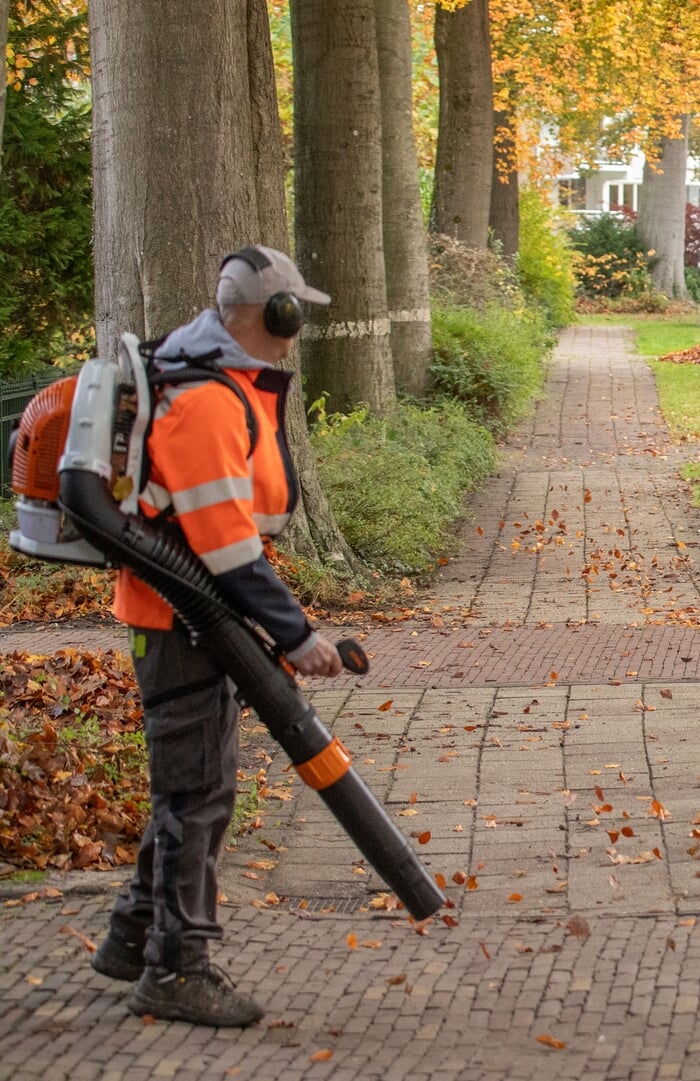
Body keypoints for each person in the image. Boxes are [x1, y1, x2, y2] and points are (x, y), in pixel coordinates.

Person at [91, 245, 345, 1027]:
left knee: (191, 784)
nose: (299, 329)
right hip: (179, 618)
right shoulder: (204, 401)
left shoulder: (221, 383)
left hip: (193, 614)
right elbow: (225, 544)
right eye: (295, 314)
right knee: (197, 794)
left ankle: (135, 936)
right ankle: (176, 971)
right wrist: (295, 633)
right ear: (276, 317)